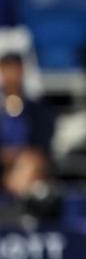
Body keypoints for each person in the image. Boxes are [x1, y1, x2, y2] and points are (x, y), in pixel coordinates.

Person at [0, 52, 53, 200]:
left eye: (15, 69)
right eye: (7, 69)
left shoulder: (38, 110)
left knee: (29, 163)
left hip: (28, 165)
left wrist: (17, 156)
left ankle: (17, 211)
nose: (11, 75)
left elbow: (42, 148)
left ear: (22, 71)